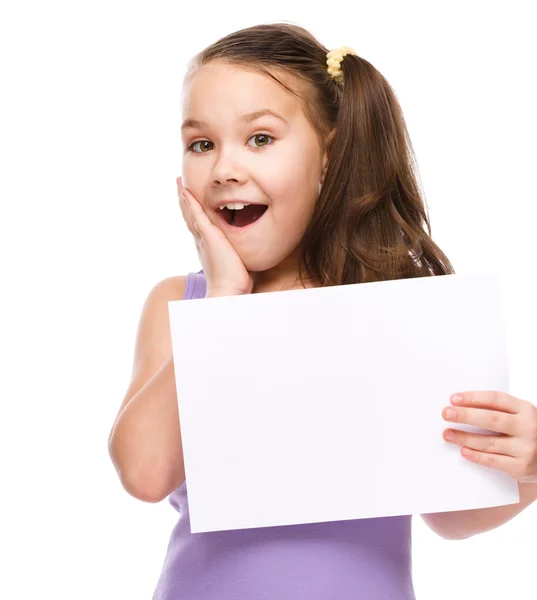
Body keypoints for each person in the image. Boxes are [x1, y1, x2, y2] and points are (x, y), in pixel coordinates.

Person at [108, 22, 537, 600]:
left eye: (260, 138)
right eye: (201, 143)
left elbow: (450, 516)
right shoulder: (180, 304)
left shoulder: (399, 305)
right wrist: (224, 302)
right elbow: (143, 473)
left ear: (329, 156)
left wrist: (529, 469)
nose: (224, 168)